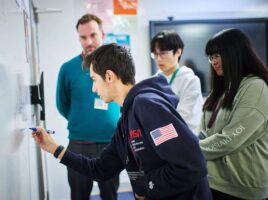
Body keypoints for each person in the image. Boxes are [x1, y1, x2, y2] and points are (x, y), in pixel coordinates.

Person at [34, 43, 212, 200]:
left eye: (94, 80)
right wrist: (53, 149)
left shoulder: (147, 107)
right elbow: (101, 169)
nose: (94, 88)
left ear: (109, 76)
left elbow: (192, 166)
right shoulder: (126, 119)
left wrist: (145, 187)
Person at [56, 14, 120, 200]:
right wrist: (81, 120)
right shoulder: (68, 69)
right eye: (83, 37)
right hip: (79, 146)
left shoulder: (117, 65)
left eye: (93, 35)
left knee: (110, 195)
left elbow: (125, 99)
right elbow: (62, 104)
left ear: (102, 34)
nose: (89, 41)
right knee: (78, 196)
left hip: (110, 144)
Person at [199, 28, 268, 199]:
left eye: (217, 55)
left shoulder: (255, 87)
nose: (213, 62)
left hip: (242, 189)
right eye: (211, 57)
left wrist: (190, 150)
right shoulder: (222, 89)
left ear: (236, 53)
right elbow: (204, 132)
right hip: (213, 181)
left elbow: (230, 139)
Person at [151, 30, 204, 135]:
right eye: (155, 54)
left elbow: (182, 120)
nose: (158, 59)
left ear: (178, 52)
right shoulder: (153, 81)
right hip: (159, 141)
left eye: (163, 53)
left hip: (184, 140)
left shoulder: (190, 81)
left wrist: (154, 136)